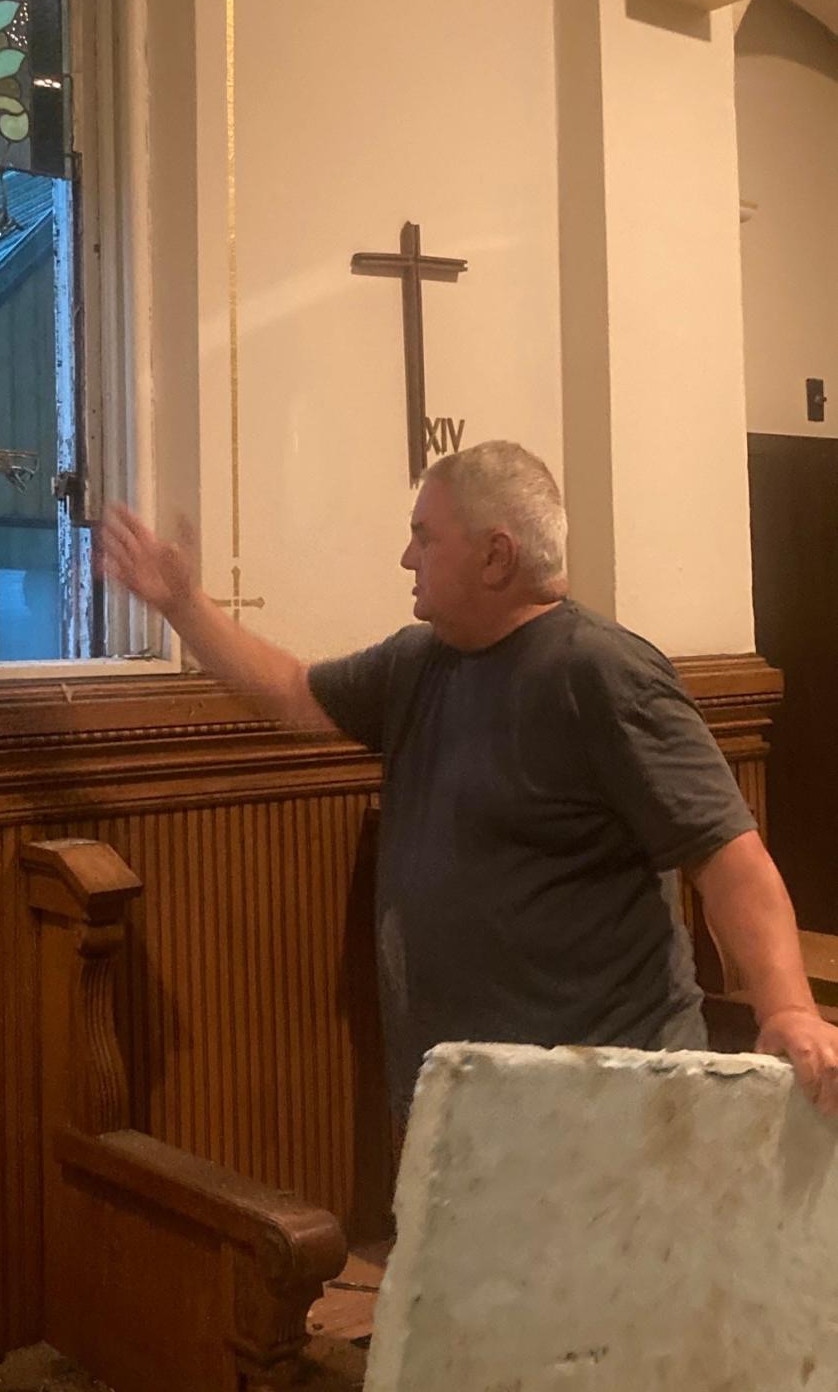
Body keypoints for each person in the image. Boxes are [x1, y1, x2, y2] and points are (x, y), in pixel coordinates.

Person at [100, 440, 838, 1117]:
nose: (406, 557)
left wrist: (789, 1009)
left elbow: (728, 856)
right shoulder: (416, 662)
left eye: (425, 536)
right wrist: (181, 605)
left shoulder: (604, 671)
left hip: (609, 1093)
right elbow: (295, 692)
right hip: (465, 1092)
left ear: (495, 557)